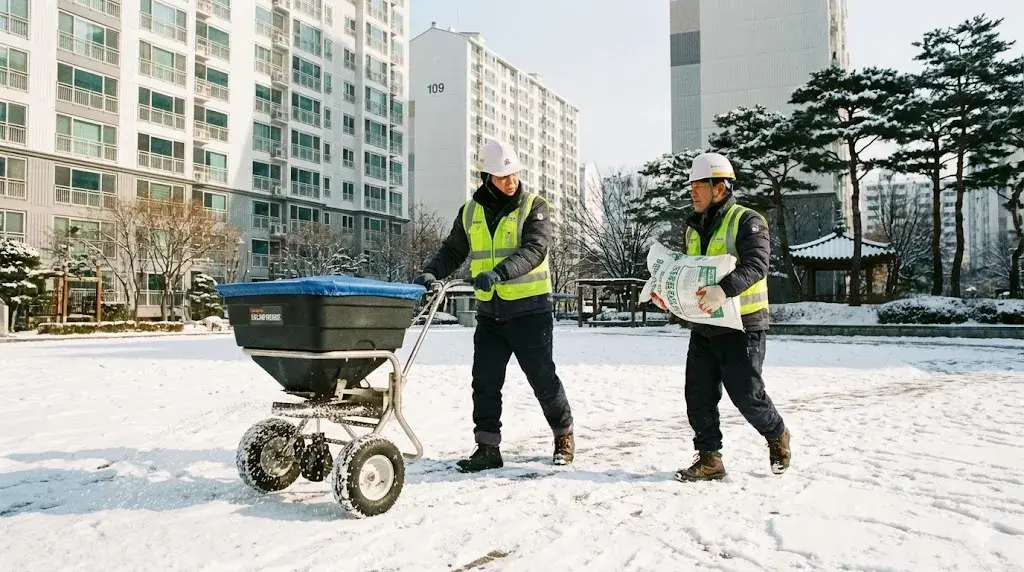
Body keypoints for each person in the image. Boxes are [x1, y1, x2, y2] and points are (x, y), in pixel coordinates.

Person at [413, 139, 575, 473]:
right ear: (487, 176)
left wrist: (499, 273)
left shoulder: (534, 206)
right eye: (503, 176)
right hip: (490, 314)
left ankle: (564, 436)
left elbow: (535, 249)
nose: (511, 181)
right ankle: (487, 447)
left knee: (542, 377)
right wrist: (430, 272)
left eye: (513, 174)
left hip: (530, 311)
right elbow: (453, 251)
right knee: (485, 381)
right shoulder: (470, 212)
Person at [675, 152, 791, 482]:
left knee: (746, 395)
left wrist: (724, 290)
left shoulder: (748, 221)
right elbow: (690, 272)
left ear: (720, 187)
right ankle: (710, 458)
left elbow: (756, 265)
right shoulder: (693, 228)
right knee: (697, 395)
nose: (692, 192)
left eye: (698, 185)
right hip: (705, 324)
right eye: (691, 186)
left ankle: (777, 433)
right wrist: (670, 294)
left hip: (742, 324)